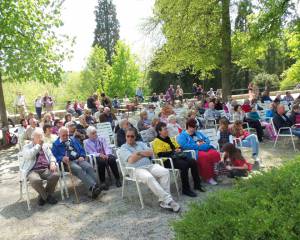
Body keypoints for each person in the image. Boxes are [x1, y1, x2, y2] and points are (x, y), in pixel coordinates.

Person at [119, 128, 180, 212]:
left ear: (135, 136)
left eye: (132, 136)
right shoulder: (123, 148)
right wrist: (143, 153)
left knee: (165, 172)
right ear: (125, 137)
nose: (129, 138)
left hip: (149, 166)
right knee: (149, 177)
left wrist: (138, 153)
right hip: (136, 170)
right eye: (128, 136)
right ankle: (169, 200)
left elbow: (151, 152)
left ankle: (163, 201)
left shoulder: (140, 143)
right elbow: (131, 160)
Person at [152, 122, 205, 197]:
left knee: (193, 161)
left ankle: (197, 185)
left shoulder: (169, 138)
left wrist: (179, 149)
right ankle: (186, 189)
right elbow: (160, 154)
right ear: (159, 131)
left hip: (176, 157)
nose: (167, 130)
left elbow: (178, 146)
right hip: (167, 160)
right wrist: (173, 151)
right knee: (184, 165)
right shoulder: (156, 141)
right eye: (164, 129)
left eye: (166, 128)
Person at [52, 127, 101, 198]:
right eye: (63, 135)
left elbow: (81, 149)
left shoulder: (73, 140)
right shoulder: (55, 144)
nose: (65, 137)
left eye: (67, 135)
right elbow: (54, 156)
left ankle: (94, 189)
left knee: (88, 167)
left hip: (78, 159)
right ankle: (93, 187)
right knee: (78, 169)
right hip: (67, 162)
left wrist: (82, 156)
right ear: (59, 134)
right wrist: (62, 158)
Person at [177, 118, 221, 185]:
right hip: (193, 152)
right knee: (205, 157)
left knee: (215, 154)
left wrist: (203, 143)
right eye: (193, 127)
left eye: (195, 127)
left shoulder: (198, 133)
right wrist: (197, 145)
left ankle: (215, 173)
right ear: (188, 126)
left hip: (204, 148)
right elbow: (184, 146)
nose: (195, 129)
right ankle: (208, 177)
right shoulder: (182, 135)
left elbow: (207, 140)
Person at [21, 128, 59, 206]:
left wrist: (52, 162)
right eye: (38, 136)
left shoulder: (45, 146)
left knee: (55, 175)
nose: (41, 138)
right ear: (33, 138)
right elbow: (29, 155)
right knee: (35, 180)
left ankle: (42, 196)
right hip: (32, 170)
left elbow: (51, 156)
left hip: (45, 169)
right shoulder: (27, 147)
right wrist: (38, 145)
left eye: (41, 136)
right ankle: (47, 197)